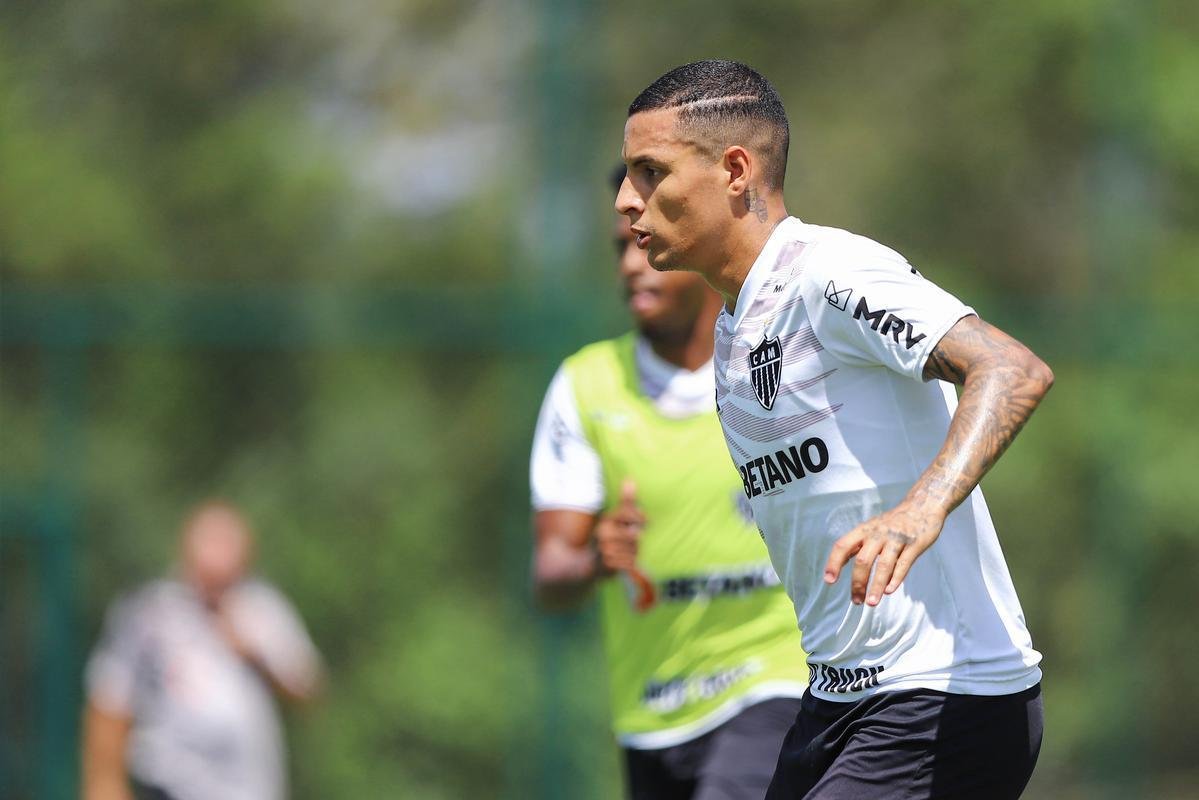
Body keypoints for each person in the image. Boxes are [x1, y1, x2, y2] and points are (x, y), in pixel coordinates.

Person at [615, 60, 1054, 799]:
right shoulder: (732, 332)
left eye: (649, 172)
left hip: (944, 698)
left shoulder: (828, 273)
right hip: (836, 702)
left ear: (732, 170)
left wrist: (922, 506)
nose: (628, 202)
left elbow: (1010, 369)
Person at [529, 167, 810, 799]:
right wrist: (596, 557)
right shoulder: (586, 387)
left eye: (645, 241)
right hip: (653, 713)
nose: (632, 265)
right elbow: (550, 574)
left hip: (778, 681)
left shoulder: (781, 367)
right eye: (619, 246)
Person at [82, 501, 323, 800]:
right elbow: (110, 698)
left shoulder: (264, 609)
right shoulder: (151, 613)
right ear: (186, 549)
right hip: (172, 785)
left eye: (227, 543)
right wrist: (104, 786)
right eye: (210, 541)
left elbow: (307, 689)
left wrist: (255, 655)